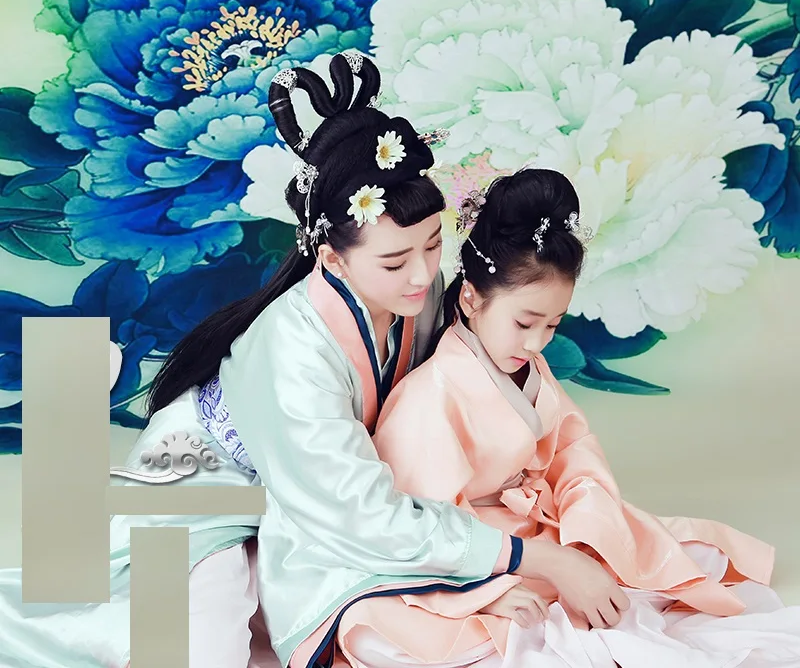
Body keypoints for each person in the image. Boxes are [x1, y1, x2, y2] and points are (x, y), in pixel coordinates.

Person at [0, 54, 626, 668]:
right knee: (192, 654)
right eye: (393, 261)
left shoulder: (417, 293)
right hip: (204, 484)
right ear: (332, 258)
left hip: (304, 503)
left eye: (433, 246)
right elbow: (358, 511)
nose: (420, 275)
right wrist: (537, 559)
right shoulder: (291, 349)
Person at [323, 167, 800, 668]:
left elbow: (574, 454)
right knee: (386, 636)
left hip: (534, 527)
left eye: (552, 325)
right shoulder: (430, 395)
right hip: (471, 553)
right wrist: (487, 591)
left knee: (690, 557)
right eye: (524, 323)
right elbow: (420, 524)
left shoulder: (529, 367)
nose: (537, 343)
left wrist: (587, 528)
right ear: (470, 297)